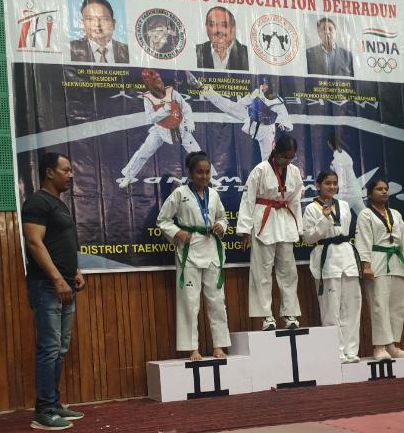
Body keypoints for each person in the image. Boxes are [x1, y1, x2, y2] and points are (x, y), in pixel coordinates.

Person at [21, 152, 87, 431]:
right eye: (66, 170)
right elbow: (34, 243)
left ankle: (54, 403)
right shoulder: (37, 202)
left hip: (65, 285)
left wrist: (75, 272)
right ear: (49, 172)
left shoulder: (59, 204)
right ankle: (43, 411)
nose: (71, 175)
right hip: (48, 286)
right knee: (49, 348)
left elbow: (61, 244)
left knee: (60, 348)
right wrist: (57, 279)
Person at [156, 151, 231, 360]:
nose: (204, 176)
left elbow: (223, 218)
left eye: (207, 172)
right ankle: (192, 348)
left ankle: (219, 345)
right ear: (190, 173)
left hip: (211, 250)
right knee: (190, 302)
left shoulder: (213, 194)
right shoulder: (180, 194)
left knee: (217, 300)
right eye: (200, 172)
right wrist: (177, 232)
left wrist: (221, 226)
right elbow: (162, 220)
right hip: (188, 252)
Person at [237, 135, 302, 331]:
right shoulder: (261, 170)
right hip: (263, 220)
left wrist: (298, 227)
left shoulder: (294, 172)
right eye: (284, 157)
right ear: (276, 152)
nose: (287, 161)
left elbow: (296, 200)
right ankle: (266, 317)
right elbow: (248, 199)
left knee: (288, 270)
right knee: (262, 271)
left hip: (285, 220)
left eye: (291, 157)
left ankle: (290, 314)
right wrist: (245, 230)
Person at [119, 69, 217, 189]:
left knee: (197, 153)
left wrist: (190, 121)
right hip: (161, 130)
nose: (160, 82)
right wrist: (163, 110)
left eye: (159, 79)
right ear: (150, 84)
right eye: (156, 81)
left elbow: (185, 107)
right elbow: (150, 118)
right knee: (143, 152)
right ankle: (128, 176)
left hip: (180, 127)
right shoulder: (148, 98)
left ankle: (211, 177)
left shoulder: (172, 92)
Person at [301, 170, 362, 363]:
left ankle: (351, 350)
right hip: (327, 257)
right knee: (331, 309)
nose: (332, 186)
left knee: (352, 306)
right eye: (328, 183)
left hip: (347, 255)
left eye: (335, 183)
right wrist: (324, 219)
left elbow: (346, 230)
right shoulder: (311, 208)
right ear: (318, 185)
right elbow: (308, 238)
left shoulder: (343, 205)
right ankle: (337, 351)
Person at [355, 177, 404, 360]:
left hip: (396, 261)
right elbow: (363, 241)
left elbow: (403, 240)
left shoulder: (395, 214)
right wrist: (366, 266)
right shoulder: (366, 214)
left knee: (398, 305)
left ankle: (392, 346)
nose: (384, 191)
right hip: (377, 261)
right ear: (369, 194)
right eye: (379, 189)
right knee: (379, 305)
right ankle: (379, 347)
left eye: (386, 188)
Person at [186, 72, 292, 162]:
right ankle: (201, 87)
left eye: (265, 84)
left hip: (266, 129)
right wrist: (237, 107)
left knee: (268, 160)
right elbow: (244, 101)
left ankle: (270, 179)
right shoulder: (258, 92)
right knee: (226, 105)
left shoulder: (279, 103)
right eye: (263, 83)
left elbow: (287, 121)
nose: (263, 85)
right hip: (251, 116)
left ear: (270, 87)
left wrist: (284, 124)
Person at [70, 0, 130, 64]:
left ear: (113, 23)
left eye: (104, 19)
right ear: (82, 24)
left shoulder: (126, 51)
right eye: (90, 19)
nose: (97, 24)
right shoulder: (71, 49)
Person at [196, 6, 249, 70]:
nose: (218, 30)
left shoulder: (247, 53)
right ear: (206, 28)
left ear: (233, 28)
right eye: (212, 25)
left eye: (224, 25)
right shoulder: (197, 51)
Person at [328, 132, 366, 215]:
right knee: (364, 216)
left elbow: (342, 180)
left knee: (335, 216)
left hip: (348, 194)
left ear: (329, 144)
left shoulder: (338, 159)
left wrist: (341, 197)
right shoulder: (345, 155)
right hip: (356, 192)